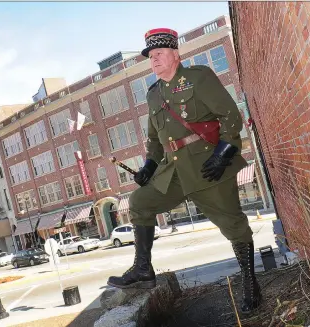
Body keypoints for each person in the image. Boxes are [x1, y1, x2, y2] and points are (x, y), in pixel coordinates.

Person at [107, 28, 262, 313]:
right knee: (140, 202)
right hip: (174, 171)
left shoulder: (198, 77)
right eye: (150, 56)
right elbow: (155, 142)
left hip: (207, 165)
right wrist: (148, 167)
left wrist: (223, 154)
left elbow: (230, 116)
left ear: (175, 55)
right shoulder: (153, 95)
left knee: (234, 225)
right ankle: (143, 270)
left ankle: (250, 282)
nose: (153, 60)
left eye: (159, 53)